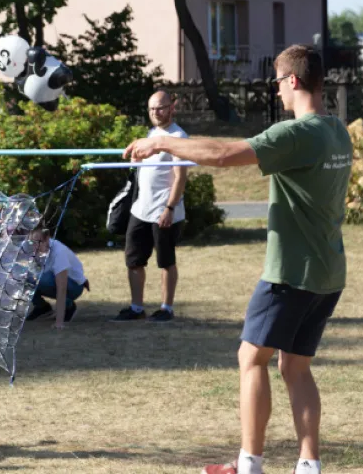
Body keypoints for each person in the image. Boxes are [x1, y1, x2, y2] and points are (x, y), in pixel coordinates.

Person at [125, 45, 351, 474]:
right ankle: (308, 466)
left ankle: (249, 464)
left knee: (252, 358)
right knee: (294, 366)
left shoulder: (297, 134)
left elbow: (226, 155)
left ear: (294, 81)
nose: (277, 90)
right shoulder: (336, 130)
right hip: (327, 272)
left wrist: (161, 143)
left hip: (291, 272)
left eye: (279, 81)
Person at [113, 90, 187, 323]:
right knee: (133, 261)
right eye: (152, 109)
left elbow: (180, 177)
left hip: (164, 211)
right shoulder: (151, 134)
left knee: (165, 261)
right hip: (141, 209)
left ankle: (166, 308)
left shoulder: (179, 137)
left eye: (161, 107)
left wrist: (170, 208)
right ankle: (137, 308)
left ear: (171, 108)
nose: (156, 112)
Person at [26, 227, 90, 329]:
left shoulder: (59, 252)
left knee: (41, 279)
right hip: (52, 280)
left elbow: (62, 288)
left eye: (39, 242)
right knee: (24, 276)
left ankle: (68, 306)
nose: (35, 246)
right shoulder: (34, 250)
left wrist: (59, 322)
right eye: (31, 242)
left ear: (47, 239)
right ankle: (42, 307)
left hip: (73, 286)